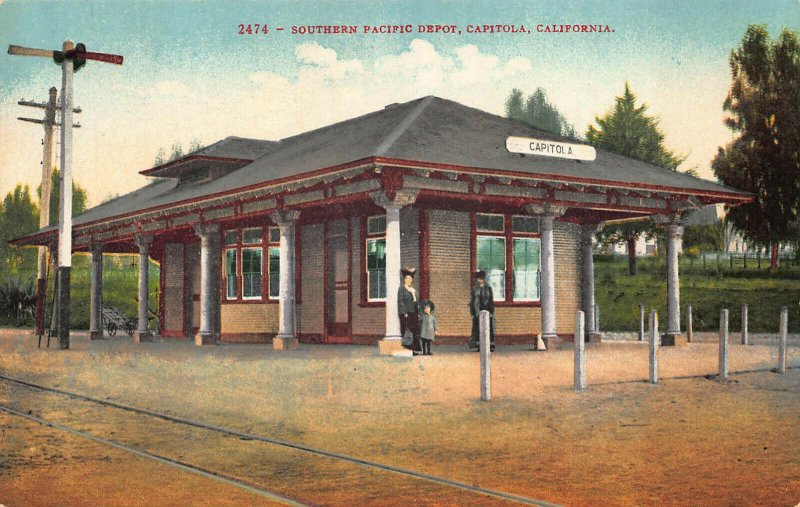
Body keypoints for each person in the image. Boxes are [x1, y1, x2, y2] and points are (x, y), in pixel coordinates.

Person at [468, 270, 495, 352]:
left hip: (487, 310)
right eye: (479, 278)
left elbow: (491, 300)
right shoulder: (475, 289)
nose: (480, 280)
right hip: (477, 311)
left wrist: (491, 311)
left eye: (481, 278)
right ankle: (479, 345)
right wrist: (472, 312)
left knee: (488, 328)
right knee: (478, 328)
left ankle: (490, 345)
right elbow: (472, 301)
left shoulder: (488, 288)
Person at [397, 267, 422, 355]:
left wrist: (418, 312)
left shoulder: (413, 290)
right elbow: (401, 301)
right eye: (407, 278)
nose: (409, 280)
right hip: (407, 313)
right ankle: (408, 349)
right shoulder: (402, 289)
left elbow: (416, 302)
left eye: (410, 278)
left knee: (416, 330)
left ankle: (415, 349)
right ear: (404, 279)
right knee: (408, 330)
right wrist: (404, 313)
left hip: (414, 312)